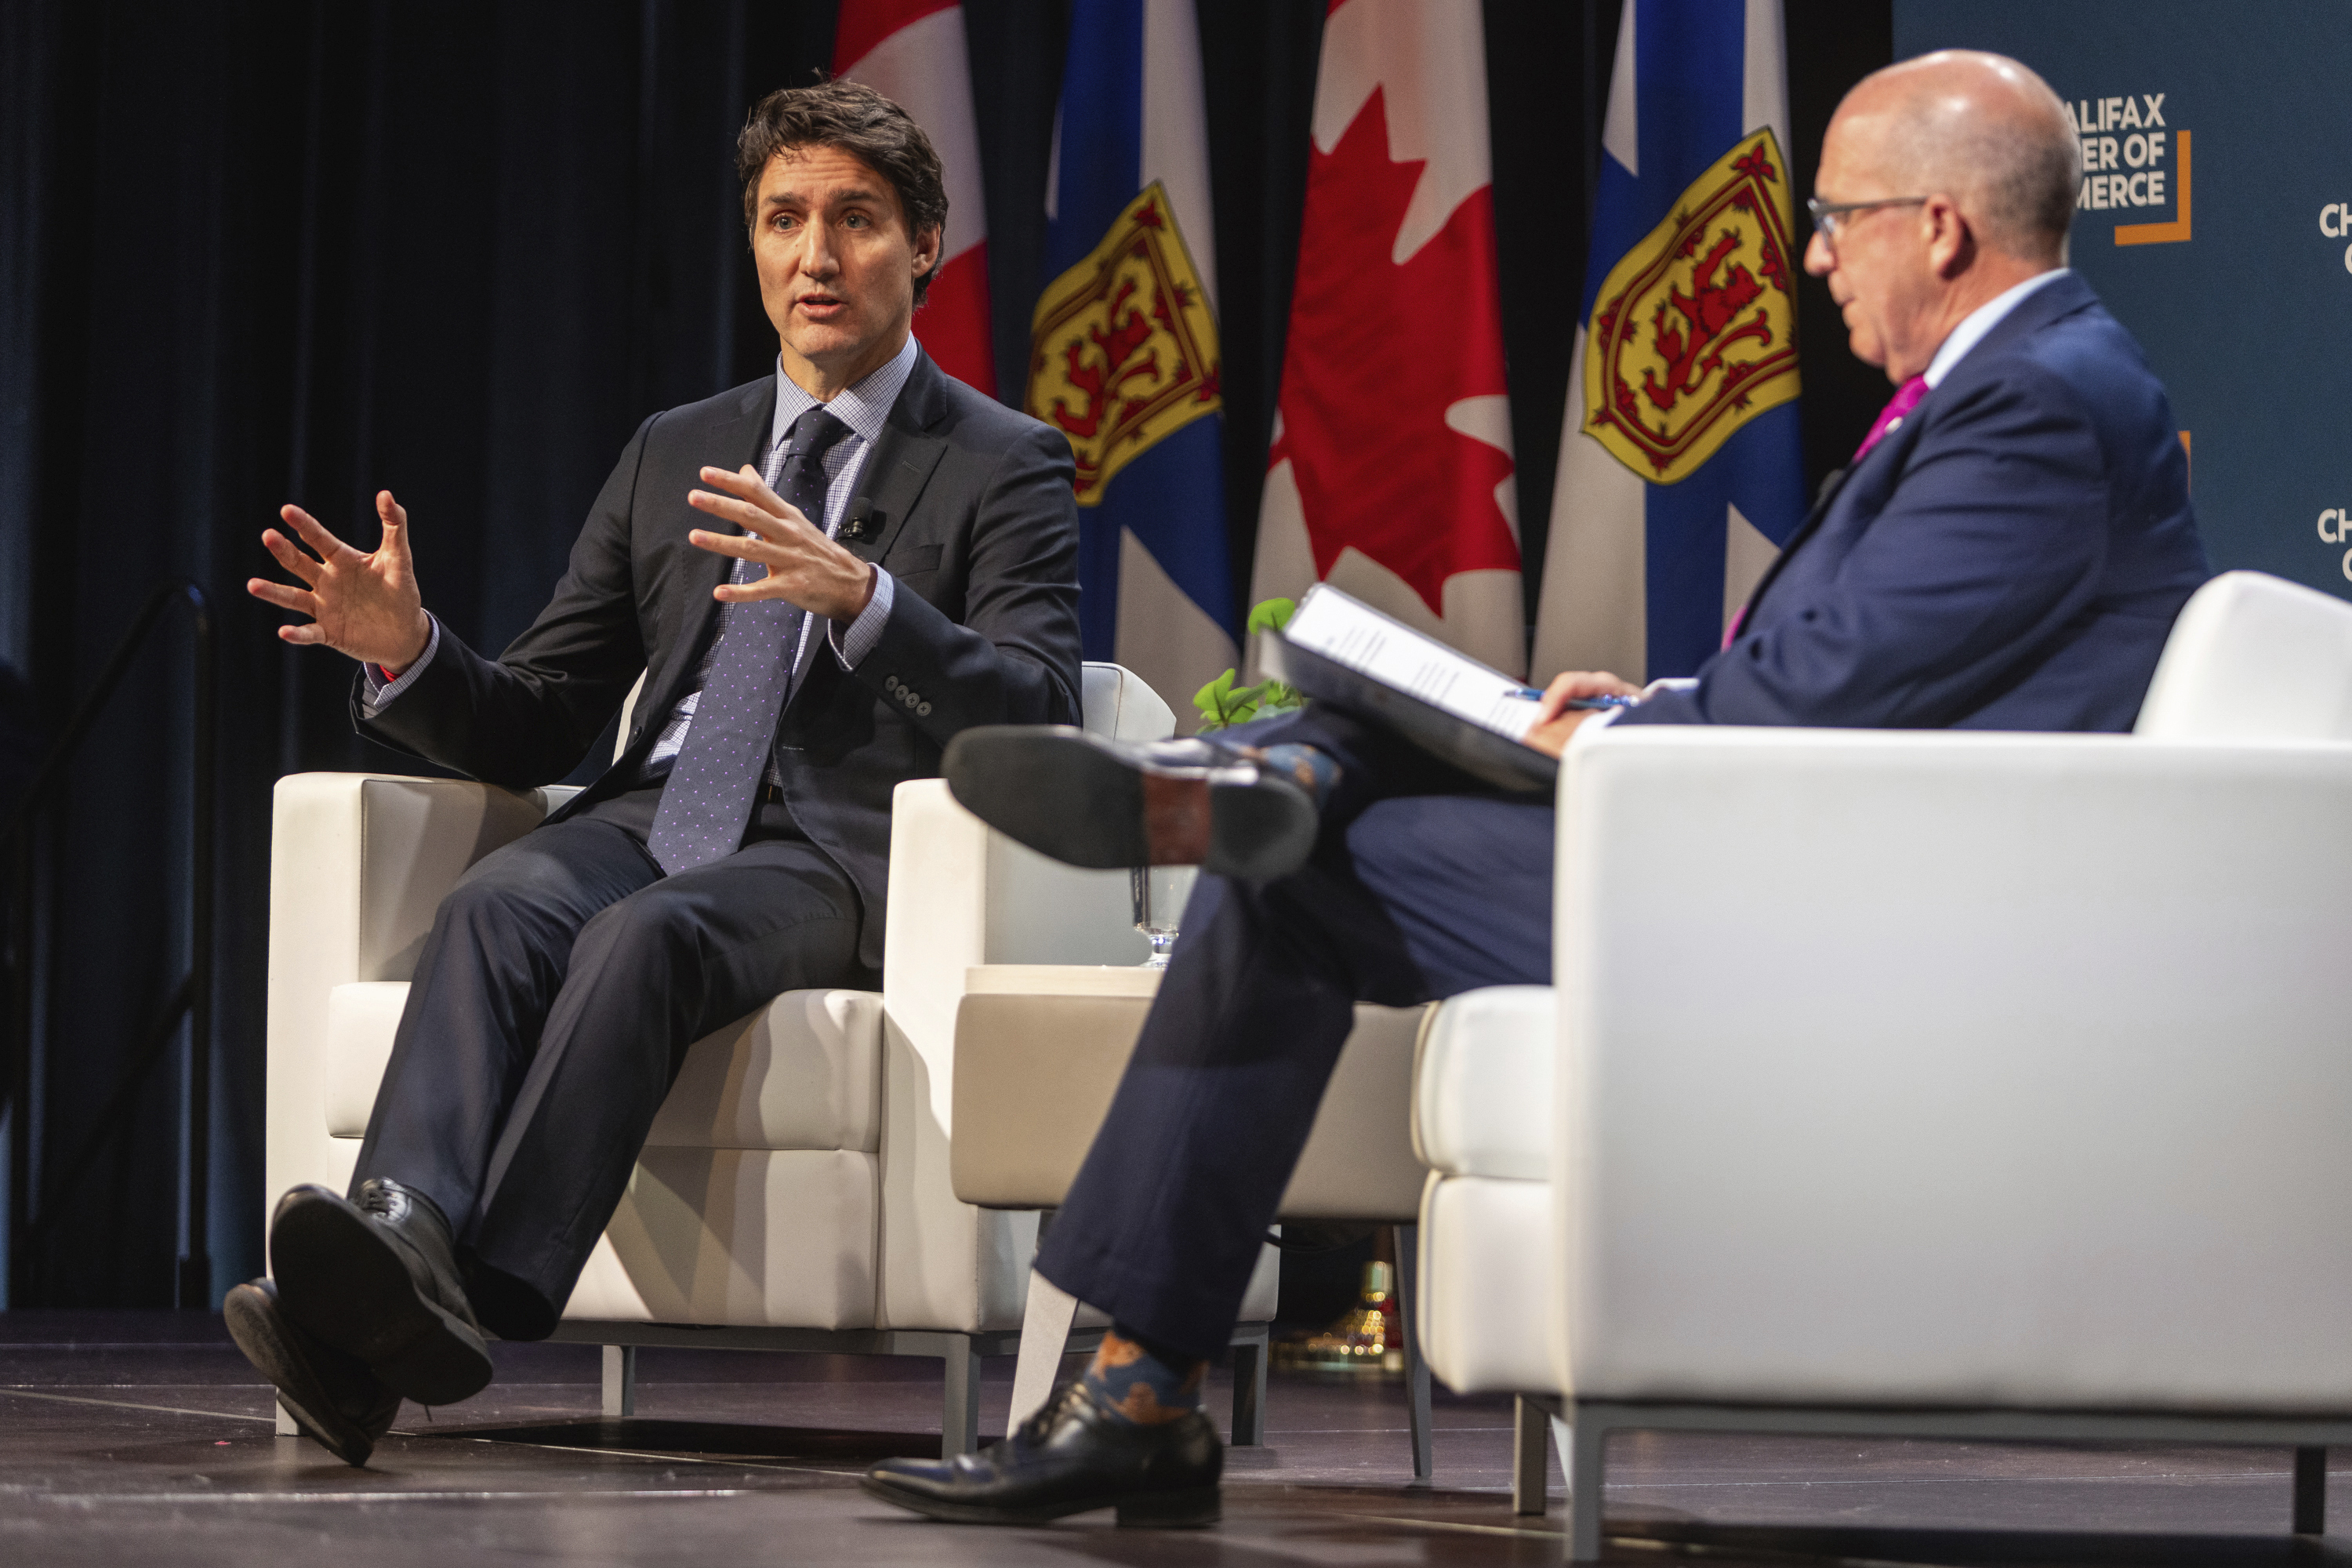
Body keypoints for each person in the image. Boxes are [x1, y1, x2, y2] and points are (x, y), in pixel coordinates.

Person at [861, 49, 2210, 1527]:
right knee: (1316, 814)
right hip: (1803, 861)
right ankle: (1249, 807)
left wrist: (1618, 743)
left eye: (1835, 218)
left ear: (1940, 229)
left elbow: (1827, 695)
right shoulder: (2035, 385)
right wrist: (1643, 707)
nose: (1813, 256)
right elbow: (1864, 672)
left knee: (1297, 851)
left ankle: (1138, 1367)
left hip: (1855, 921)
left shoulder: (2040, 406)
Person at [229, 78, 1082, 1466]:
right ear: (753, 244)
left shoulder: (1002, 463)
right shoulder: (676, 448)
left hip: (831, 856)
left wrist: (866, 602)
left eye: (856, 220)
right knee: (497, 904)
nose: (817, 255)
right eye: (785, 218)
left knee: (645, 938)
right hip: (653, 810)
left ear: (924, 244)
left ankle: (467, 1294)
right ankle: (400, 1253)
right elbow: (548, 712)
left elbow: (1042, 709)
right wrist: (413, 653)